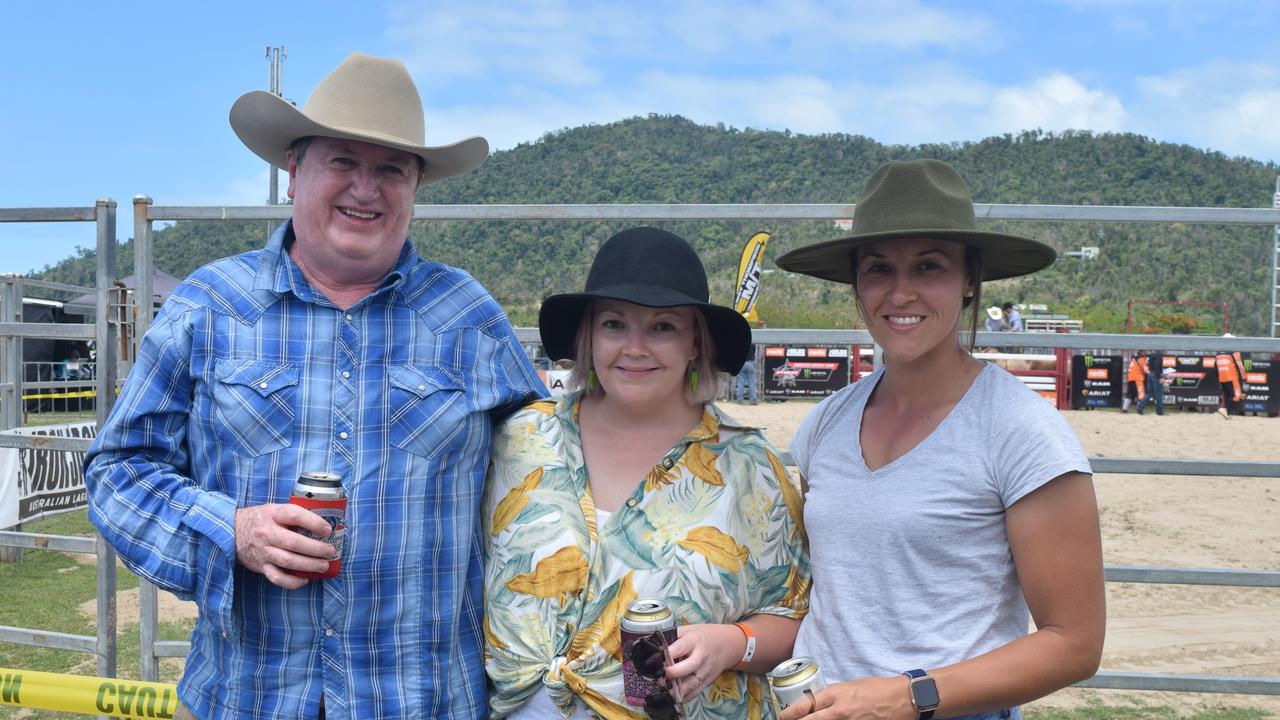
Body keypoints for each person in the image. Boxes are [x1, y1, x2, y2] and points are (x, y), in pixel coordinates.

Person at [84, 53, 545, 720]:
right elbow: (118, 471)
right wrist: (230, 530)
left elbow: (550, 479)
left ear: (416, 187)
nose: (367, 188)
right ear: (294, 170)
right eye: (343, 162)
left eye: (392, 168)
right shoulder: (209, 306)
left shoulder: (468, 318)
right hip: (246, 700)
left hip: (425, 702)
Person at [774, 159, 1104, 720]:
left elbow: (1074, 642)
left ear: (969, 280)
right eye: (878, 269)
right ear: (856, 283)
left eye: (928, 267)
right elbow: (812, 593)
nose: (900, 293)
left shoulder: (1022, 432)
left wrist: (904, 697)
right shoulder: (826, 424)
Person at [483, 227, 810, 719]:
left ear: (697, 344)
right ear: (589, 337)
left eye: (663, 328)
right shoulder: (520, 439)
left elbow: (795, 620)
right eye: (614, 324)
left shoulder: (752, 469)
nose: (635, 347)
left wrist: (729, 643)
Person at [1215, 336, 1248, 419]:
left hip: (1222, 378)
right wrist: (1244, 377)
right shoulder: (1233, 351)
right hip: (1232, 377)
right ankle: (1223, 408)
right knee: (1236, 396)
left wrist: (1217, 379)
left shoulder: (1218, 353)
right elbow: (1239, 366)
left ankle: (1227, 414)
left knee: (1227, 396)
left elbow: (1215, 367)